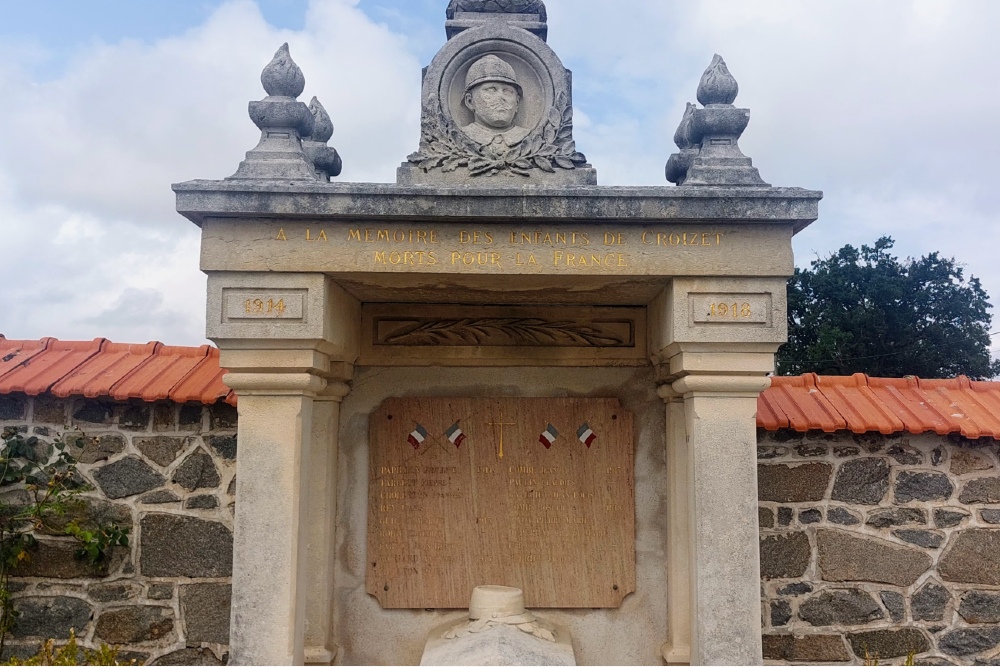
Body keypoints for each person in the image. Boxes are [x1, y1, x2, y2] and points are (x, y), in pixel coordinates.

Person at [461, 55, 531, 153]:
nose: (501, 97)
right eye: (491, 89)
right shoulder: (460, 135)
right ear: (469, 101)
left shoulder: (530, 137)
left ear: (517, 102)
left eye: (507, 91)